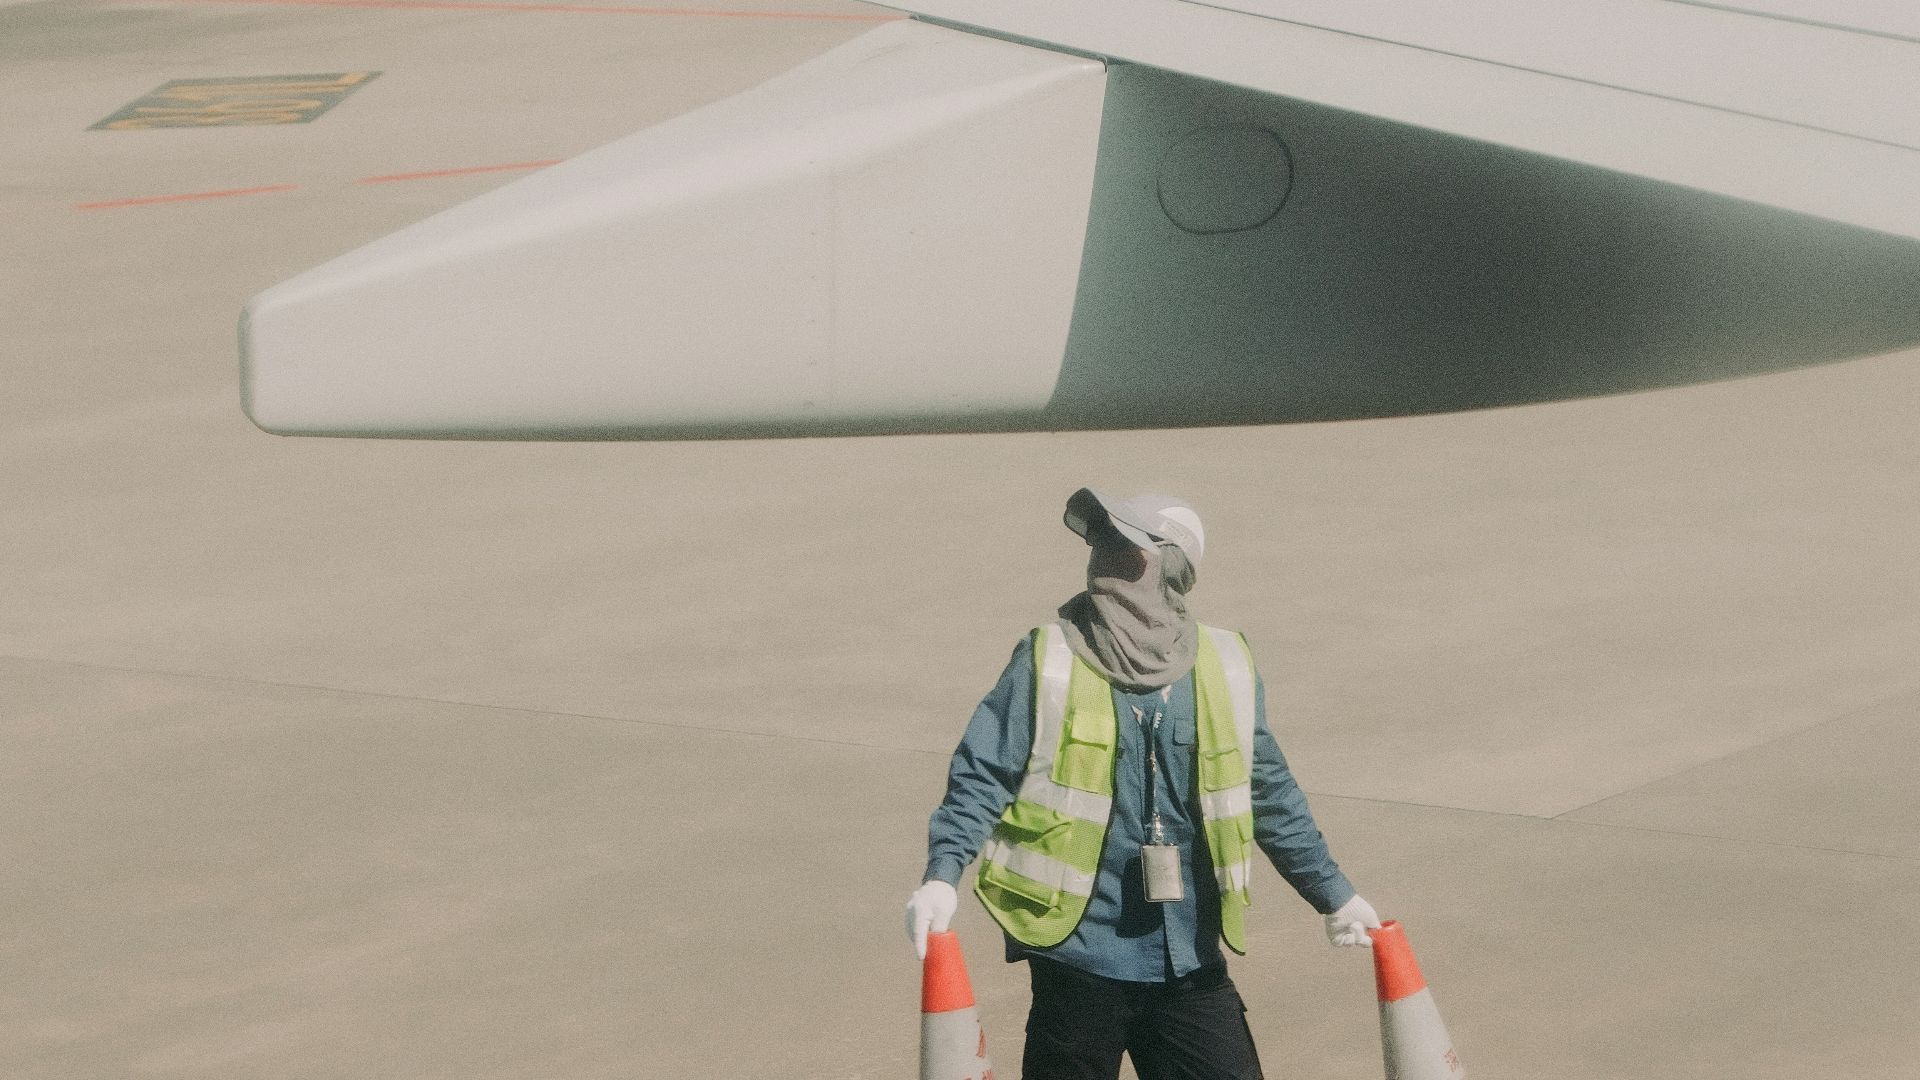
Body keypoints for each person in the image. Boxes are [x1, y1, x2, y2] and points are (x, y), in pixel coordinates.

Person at [904, 488, 1380, 1080]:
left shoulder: (1225, 665)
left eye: (1126, 549)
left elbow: (1270, 795)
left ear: (1171, 568)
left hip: (1188, 959)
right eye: (1101, 542)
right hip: (1077, 955)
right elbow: (982, 774)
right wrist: (942, 873)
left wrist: (1333, 894)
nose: (1105, 559)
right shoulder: (1048, 658)